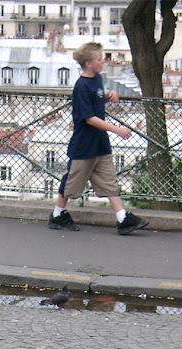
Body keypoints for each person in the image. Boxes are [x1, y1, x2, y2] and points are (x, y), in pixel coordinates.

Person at [48, 41, 149, 235]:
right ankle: (57, 214)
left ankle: (122, 218)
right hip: (84, 144)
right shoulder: (82, 86)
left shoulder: (96, 80)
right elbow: (89, 118)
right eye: (99, 59)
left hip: (99, 142)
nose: (103, 61)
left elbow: (97, 100)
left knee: (109, 180)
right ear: (88, 63)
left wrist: (109, 96)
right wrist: (116, 129)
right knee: (72, 181)